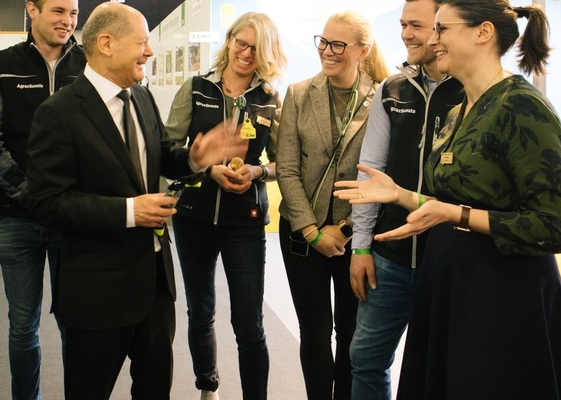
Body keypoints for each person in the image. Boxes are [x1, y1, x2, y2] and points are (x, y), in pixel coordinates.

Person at [334, 1, 561, 398]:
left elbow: (554, 226)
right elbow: (452, 199)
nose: (433, 40)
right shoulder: (463, 109)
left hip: (500, 297)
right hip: (452, 286)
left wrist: (454, 214)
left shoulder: (522, 107)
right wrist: (402, 195)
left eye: (442, 30)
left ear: (482, 33)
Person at [25, 3, 197, 399]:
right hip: (96, 292)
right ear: (106, 43)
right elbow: (48, 202)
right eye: (142, 42)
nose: (150, 52)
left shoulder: (142, 98)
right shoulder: (58, 112)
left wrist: (194, 159)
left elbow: (163, 153)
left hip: (154, 284)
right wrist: (129, 212)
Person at [164, 11, 286, 400]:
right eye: (241, 42)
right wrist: (206, 167)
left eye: (256, 47)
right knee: (200, 312)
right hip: (193, 217)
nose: (246, 53)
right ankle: (207, 387)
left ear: (266, 53)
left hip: (246, 221)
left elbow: (284, 163)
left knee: (249, 322)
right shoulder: (197, 87)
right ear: (230, 40)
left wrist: (257, 172)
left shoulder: (270, 100)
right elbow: (170, 148)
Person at [346, 1, 464, 398]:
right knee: (364, 359)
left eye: (416, 25)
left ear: (442, 28)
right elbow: (370, 171)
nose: (405, 34)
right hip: (389, 258)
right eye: (402, 24)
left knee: (440, 371)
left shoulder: (474, 91)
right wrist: (361, 247)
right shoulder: (391, 89)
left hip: (448, 260)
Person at [0, 0, 85, 397]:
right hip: (15, 217)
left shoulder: (90, 65)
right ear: (31, 10)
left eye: (73, 13)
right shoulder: (1, 65)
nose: (67, 21)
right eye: (58, 11)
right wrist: (32, 194)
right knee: (23, 326)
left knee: (76, 324)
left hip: (73, 219)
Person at [276, 10, 389, 400]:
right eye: (323, 41)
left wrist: (340, 230)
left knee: (352, 333)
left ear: (363, 51)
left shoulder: (381, 98)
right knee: (314, 332)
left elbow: (377, 176)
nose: (327, 51)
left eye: (338, 44)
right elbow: (287, 170)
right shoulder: (298, 94)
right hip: (300, 236)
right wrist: (310, 230)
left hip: (353, 237)